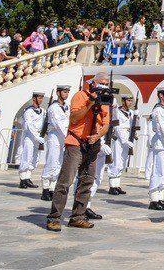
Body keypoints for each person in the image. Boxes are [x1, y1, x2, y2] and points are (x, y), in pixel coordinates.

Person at [45, 71, 110, 231]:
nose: (104, 86)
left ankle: (78, 216)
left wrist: (97, 136)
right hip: (76, 142)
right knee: (66, 180)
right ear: (93, 83)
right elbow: (74, 118)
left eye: (107, 84)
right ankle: (54, 217)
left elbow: (106, 123)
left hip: (92, 144)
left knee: (87, 180)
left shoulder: (106, 101)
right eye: (102, 82)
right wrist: (90, 103)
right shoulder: (80, 96)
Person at [40, 85, 71, 200]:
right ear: (58, 93)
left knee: (59, 163)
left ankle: (53, 188)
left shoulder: (67, 107)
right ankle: (45, 189)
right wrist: (68, 137)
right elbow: (58, 125)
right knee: (51, 161)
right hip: (55, 137)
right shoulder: (53, 108)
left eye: (67, 92)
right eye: (64, 92)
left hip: (64, 138)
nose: (66, 94)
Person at [17, 91, 46, 189]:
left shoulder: (42, 110)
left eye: (42, 98)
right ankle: (22, 179)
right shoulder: (28, 111)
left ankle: (28, 177)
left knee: (35, 157)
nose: (41, 100)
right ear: (34, 99)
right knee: (27, 157)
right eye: (39, 98)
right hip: (29, 136)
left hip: (38, 136)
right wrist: (36, 136)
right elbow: (29, 125)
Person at [107, 93, 134, 195]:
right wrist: (124, 140)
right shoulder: (117, 111)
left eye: (131, 101)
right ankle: (112, 186)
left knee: (122, 162)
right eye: (128, 100)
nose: (130, 103)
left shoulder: (131, 113)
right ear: (123, 101)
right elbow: (117, 127)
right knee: (116, 162)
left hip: (127, 140)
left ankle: (117, 185)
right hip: (119, 140)